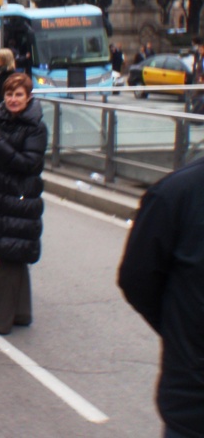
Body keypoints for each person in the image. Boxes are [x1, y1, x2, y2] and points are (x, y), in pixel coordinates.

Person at [118, 157, 204, 438]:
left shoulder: (176, 192)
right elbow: (138, 278)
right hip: (194, 403)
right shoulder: (176, 194)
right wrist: (180, 329)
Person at [0, 73, 47, 334]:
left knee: (9, 254)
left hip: (21, 195)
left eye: (18, 95)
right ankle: (21, 313)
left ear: (29, 97)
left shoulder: (36, 127)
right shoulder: (0, 118)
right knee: (15, 252)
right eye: (9, 94)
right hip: (3, 193)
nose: (13, 100)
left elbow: (29, 164)